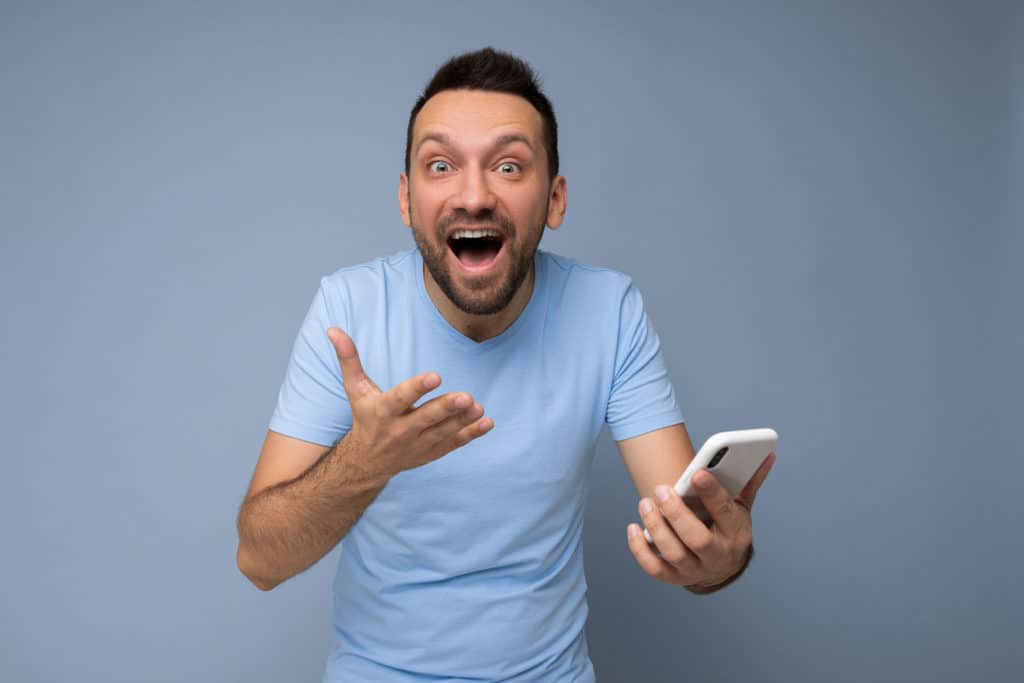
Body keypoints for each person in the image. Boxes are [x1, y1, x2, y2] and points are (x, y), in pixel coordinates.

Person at [236, 46, 775, 682]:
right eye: (440, 165)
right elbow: (259, 560)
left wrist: (720, 559)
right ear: (407, 200)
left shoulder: (608, 310)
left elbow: (689, 534)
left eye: (509, 167)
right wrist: (367, 460)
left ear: (555, 199)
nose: (473, 196)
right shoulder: (348, 308)